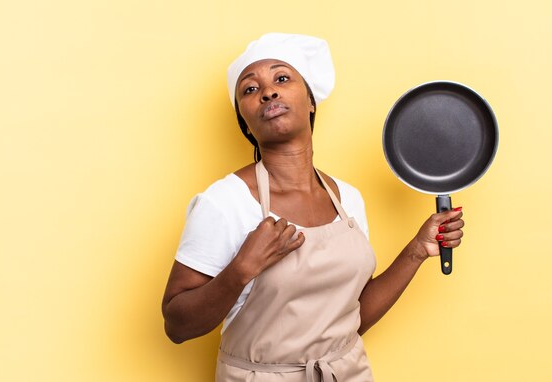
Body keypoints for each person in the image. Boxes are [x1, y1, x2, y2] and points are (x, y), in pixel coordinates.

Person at [162, 33, 464, 381]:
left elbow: (350, 319)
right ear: (245, 122)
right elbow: (177, 325)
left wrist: (416, 250)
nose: (268, 92)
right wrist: (243, 268)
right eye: (249, 89)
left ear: (311, 101)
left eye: (282, 78)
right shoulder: (224, 202)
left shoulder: (347, 198)